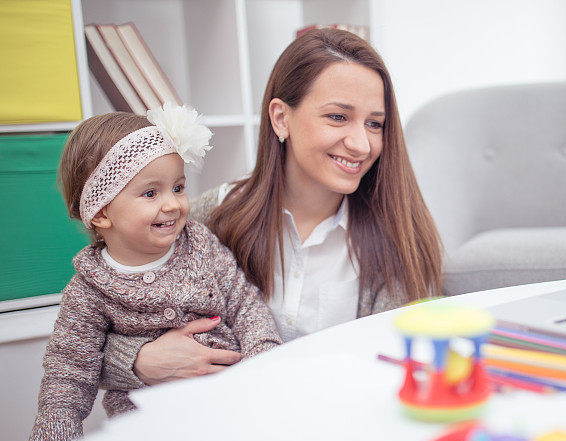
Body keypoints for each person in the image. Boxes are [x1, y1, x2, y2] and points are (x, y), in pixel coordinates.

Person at [100, 28, 443, 390]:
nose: (361, 144)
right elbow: (82, 338)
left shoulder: (399, 236)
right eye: (338, 117)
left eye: (375, 123)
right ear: (281, 118)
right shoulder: (211, 217)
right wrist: (139, 361)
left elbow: (411, 366)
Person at [25, 105, 282, 441]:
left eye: (178, 187)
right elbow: (67, 376)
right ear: (100, 212)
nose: (173, 204)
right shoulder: (87, 291)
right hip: (150, 434)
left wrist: (264, 359)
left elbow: (244, 302)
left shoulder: (200, 244)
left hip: (228, 408)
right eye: (151, 193)